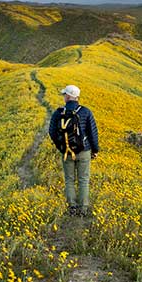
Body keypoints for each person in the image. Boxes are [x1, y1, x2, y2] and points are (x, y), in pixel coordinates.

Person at [48, 84, 99, 217]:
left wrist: (61, 146)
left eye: (65, 94)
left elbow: (52, 132)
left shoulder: (59, 112)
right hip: (84, 151)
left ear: (69, 96)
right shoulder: (86, 112)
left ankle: (72, 207)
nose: (64, 96)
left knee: (69, 180)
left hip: (66, 152)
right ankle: (83, 208)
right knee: (83, 180)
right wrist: (95, 150)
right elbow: (93, 132)